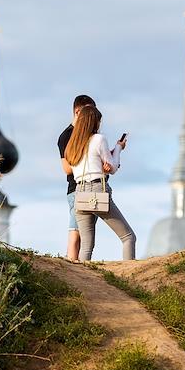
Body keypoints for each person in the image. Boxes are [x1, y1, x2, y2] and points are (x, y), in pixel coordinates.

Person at [65, 105, 135, 261]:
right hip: (97, 189)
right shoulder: (98, 139)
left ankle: (82, 283)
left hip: (80, 193)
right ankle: (130, 281)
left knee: (86, 247)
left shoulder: (72, 145)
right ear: (94, 122)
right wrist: (118, 148)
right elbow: (113, 167)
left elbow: (86, 167)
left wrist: (103, 167)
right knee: (128, 237)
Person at [57, 94, 97, 261]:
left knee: (84, 236)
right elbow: (66, 168)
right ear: (78, 111)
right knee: (75, 234)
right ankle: (72, 271)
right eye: (89, 112)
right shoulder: (67, 136)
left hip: (89, 188)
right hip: (77, 188)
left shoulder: (87, 134)